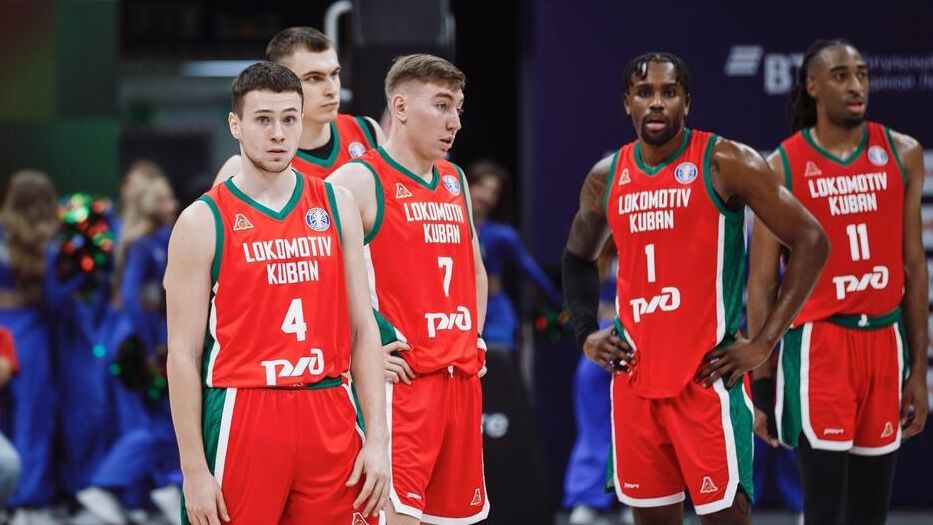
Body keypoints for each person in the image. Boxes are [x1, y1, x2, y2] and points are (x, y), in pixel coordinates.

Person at [561, 52, 829, 524]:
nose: (656, 102)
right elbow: (577, 258)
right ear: (627, 103)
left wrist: (763, 344)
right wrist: (586, 332)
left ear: (687, 102)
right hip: (636, 386)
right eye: (644, 92)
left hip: (707, 384)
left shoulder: (727, 162)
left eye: (669, 92)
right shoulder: (606, 177)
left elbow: (812, 241)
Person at [165, 61, 388, 525]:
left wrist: (378, 441)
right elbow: (182, 354)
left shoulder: (337, 204)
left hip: (329, 405)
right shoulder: (201, 221)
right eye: (263, 120)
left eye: (289, 119)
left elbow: (363, 328)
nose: (278, 134)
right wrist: (193, 470)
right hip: (245, 409)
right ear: (235, 125)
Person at [748, 39, 928, 525]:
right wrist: (761, 385)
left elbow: (914, 267)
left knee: (871, 512)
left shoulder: (903, 153)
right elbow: (761, 284)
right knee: (825, 510)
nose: (856, 86)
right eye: (841, 75)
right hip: (819, 346)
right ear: (812, 86)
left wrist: (918, 371)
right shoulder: (780, 167)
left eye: (862, 74)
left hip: (884, 343)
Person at [327, 54, 489, 524]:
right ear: (399, 107)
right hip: (401, 390)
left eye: (458, 108)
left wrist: (472, 338)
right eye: (441, 105)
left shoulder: (455, 180)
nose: (454, 122)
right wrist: (357, 351)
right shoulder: (357, 180)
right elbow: (313, 276)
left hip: (458, 385)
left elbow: (475, 271)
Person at [77, 165, 182, 525]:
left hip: (145, 341)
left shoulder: (157, 240)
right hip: (135, 347)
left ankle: (162, 487)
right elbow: (135, 301)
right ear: (151, 204)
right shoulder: (142, 244)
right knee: (151, 424)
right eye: (165, 198)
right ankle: (106, 484)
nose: (173, 203)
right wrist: (152, 349)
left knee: (160, 421)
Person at [214, 26, 385, 185]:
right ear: (281, 81)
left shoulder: (367, 131)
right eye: (314, 78)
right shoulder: (245, 166)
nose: (332, 89)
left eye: (334, 74)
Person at [0, 171, 60, 525]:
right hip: (30, 332)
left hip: (3, 329)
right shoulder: (49, 242)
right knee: (33, 417)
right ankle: (26, 498)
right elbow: (54, 299)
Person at [465, 160, 562, 352]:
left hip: (495, 313)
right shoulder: (444, 225)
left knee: (498, 362)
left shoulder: (502, 235)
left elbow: (530, 270)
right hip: (458, 311)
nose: (486, 196)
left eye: (494, 192)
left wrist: (561, 303)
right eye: (481, 186)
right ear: (466, 184)